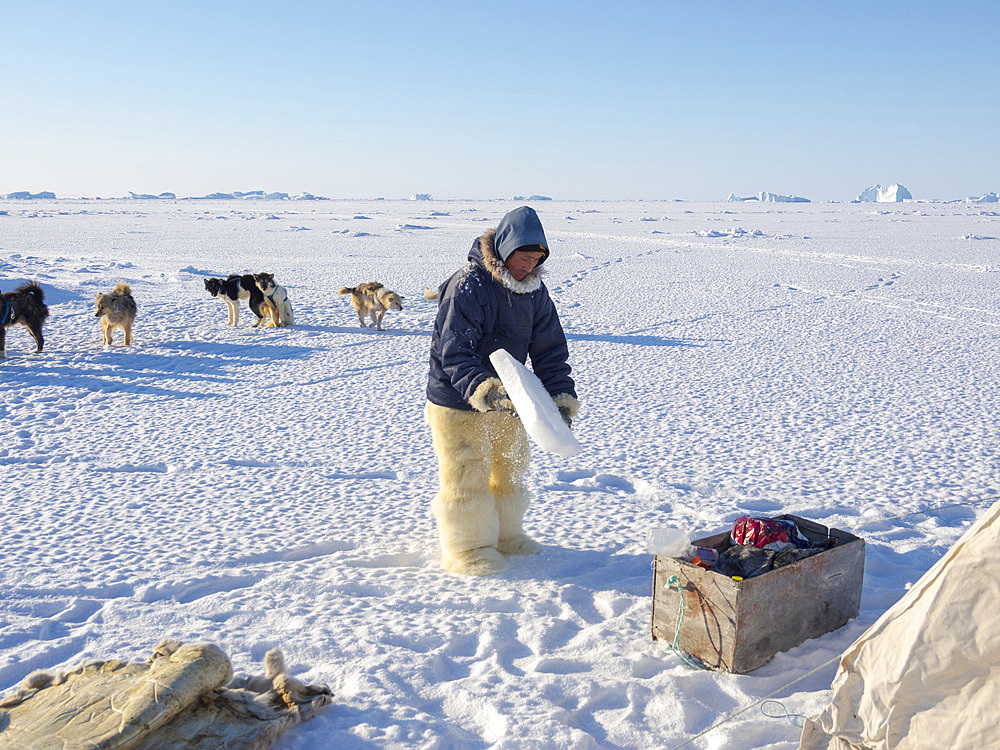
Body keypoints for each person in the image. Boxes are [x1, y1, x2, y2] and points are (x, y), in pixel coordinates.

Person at [426, 206, 579, 576]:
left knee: (508, 468)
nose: (528, 267)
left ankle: (506, 535)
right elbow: (454, 351)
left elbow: (550, 352)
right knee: (467, 472)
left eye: (535, 260)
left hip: (512, 398)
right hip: (457, 399)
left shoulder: (535, 293)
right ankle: (468, 549)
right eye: (522, 258)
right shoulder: (469, 285)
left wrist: (559, 402)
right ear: (506, 249)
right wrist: (484, 391)